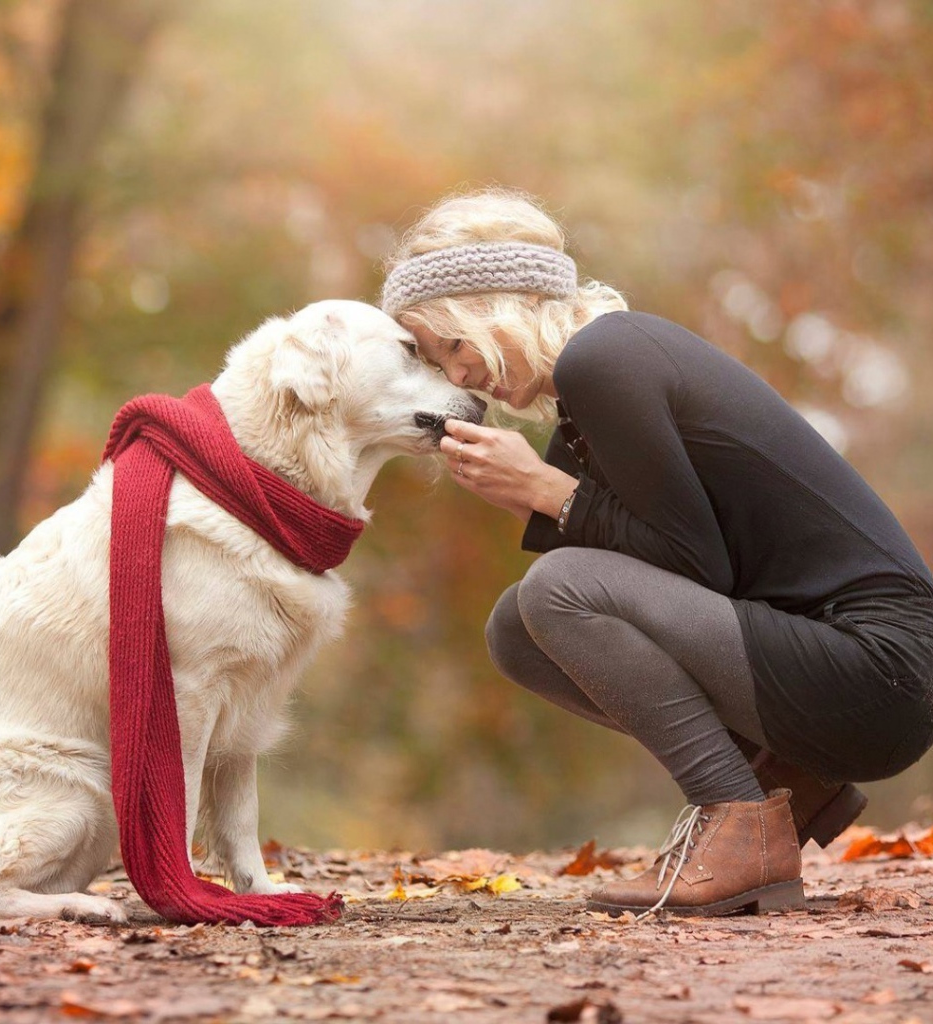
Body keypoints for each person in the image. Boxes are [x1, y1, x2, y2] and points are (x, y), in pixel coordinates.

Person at [379, 188, 933, 918]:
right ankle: (784, 780)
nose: (456, 377)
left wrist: (550, 493)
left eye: (451, 344)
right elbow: (665, 572)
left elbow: (695, 568)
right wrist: (536, 495)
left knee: (556, 589)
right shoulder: (590, 389)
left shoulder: (606, 359)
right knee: (517, 628)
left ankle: (736, 815)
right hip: (829, 667)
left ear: (498, 306)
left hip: (879, 670)